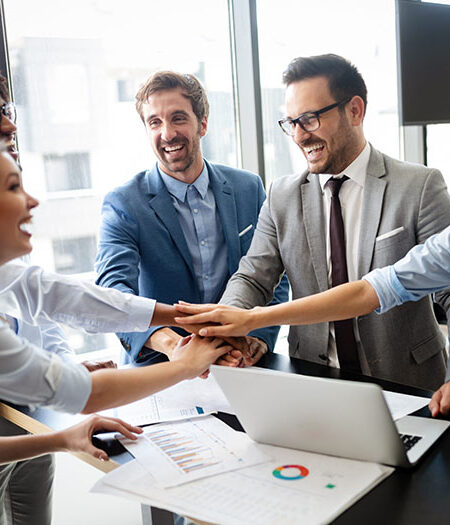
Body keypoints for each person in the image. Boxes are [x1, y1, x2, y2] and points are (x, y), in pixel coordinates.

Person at [175, 70, 450, 416]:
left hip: (408, 387)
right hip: (313, 381)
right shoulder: (282, 195)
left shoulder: (418, 186)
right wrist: (232, 331)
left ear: (355, 110)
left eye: (310, 119)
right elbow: (364, 289)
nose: (299, 135)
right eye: (291, 123)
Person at [0, 147, 231, 468]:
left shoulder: (8, 273)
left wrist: (178, 316)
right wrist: (185, 366)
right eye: (13, 187)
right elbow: (84, 394)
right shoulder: (125, 200)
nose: (33, 200)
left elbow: (63, 297)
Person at [95, 70, 288, 366]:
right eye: (155, 122)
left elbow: (275, 272)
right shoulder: (124, 203)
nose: (167, 133)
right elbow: (113, 292)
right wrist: (174, 346)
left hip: (240, 362)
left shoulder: (248, 188)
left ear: (203, 123)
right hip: (161, 364)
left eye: (178, 118)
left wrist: (258, 336)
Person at [0, 74, 114, 525]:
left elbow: (36, 302)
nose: (31, 201)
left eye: (9, 119)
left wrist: (62, 367)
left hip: (24, 416)